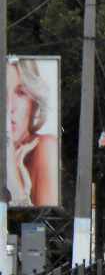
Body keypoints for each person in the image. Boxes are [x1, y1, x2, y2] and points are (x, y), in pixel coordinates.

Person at [6, 58, 59, 207]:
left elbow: (49, 219)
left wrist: (15, 183)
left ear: (33, 104)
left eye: (21, 93)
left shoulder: (45, 147)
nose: (9, 106)